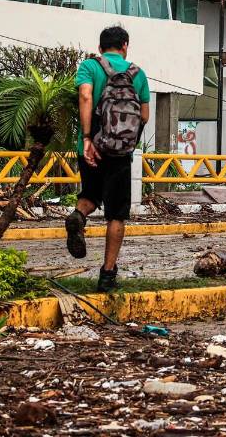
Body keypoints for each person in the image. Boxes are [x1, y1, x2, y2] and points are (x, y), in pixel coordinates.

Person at [65, 26, 150, 292]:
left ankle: (79, 215)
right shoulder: (138, 74)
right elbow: (144, 116)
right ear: (125, 45)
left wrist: (89, 137)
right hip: (120, 153)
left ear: (100, 48)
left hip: (90, 148)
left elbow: (85, 95)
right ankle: (107, 274)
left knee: (90, 194)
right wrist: (126, 141)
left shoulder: (89, 67)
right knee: (116, 214)